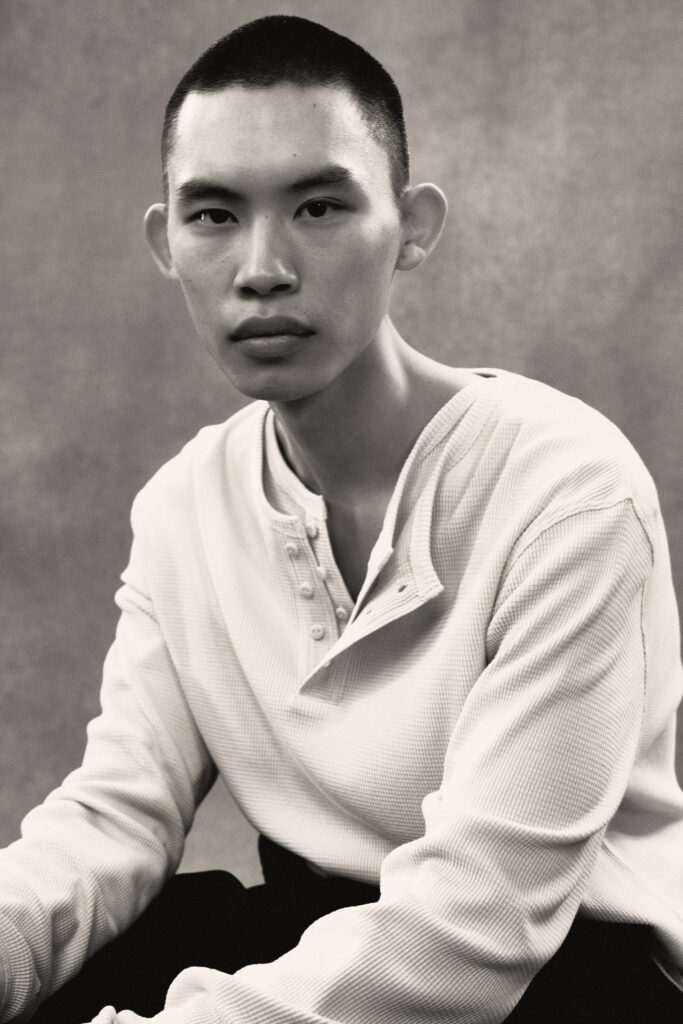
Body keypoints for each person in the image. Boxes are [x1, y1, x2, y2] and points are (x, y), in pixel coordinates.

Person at [2, 13, 682, 1024]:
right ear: (164, 242)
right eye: (213, 214)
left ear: (411, 226)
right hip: (329, 925)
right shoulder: (184, 508)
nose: (262, 267)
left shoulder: (567, 491)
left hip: (567, 966)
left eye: (318, 207)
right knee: (93, 955)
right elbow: (113, 819)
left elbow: (482, 921)